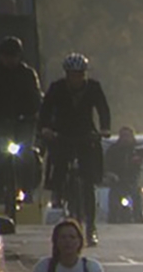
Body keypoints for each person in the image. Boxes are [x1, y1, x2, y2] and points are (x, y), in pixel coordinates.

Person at [38, 52, 112, 245]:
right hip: (63, 133)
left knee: (88, 182)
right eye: (72, 74)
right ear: (67, 74)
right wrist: (45, 128)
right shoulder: (57, 89)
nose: (76, 78)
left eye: (80, 74)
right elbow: (45, 110)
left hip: (85, 134)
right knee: (58, 163)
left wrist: (105, 128)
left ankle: (91, 227)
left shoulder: (93, 88)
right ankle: (58, 191)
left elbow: (103, 109)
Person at [0, 37, 43, 213]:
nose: (10, 60)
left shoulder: (28, 74)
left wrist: (37, 112)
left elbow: (36, 97)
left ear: (19, 56)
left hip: (23, 122)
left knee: (26, 153)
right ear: (0, 57)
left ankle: (28, 189)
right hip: (0, 123)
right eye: (6, 56)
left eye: (13, 56)